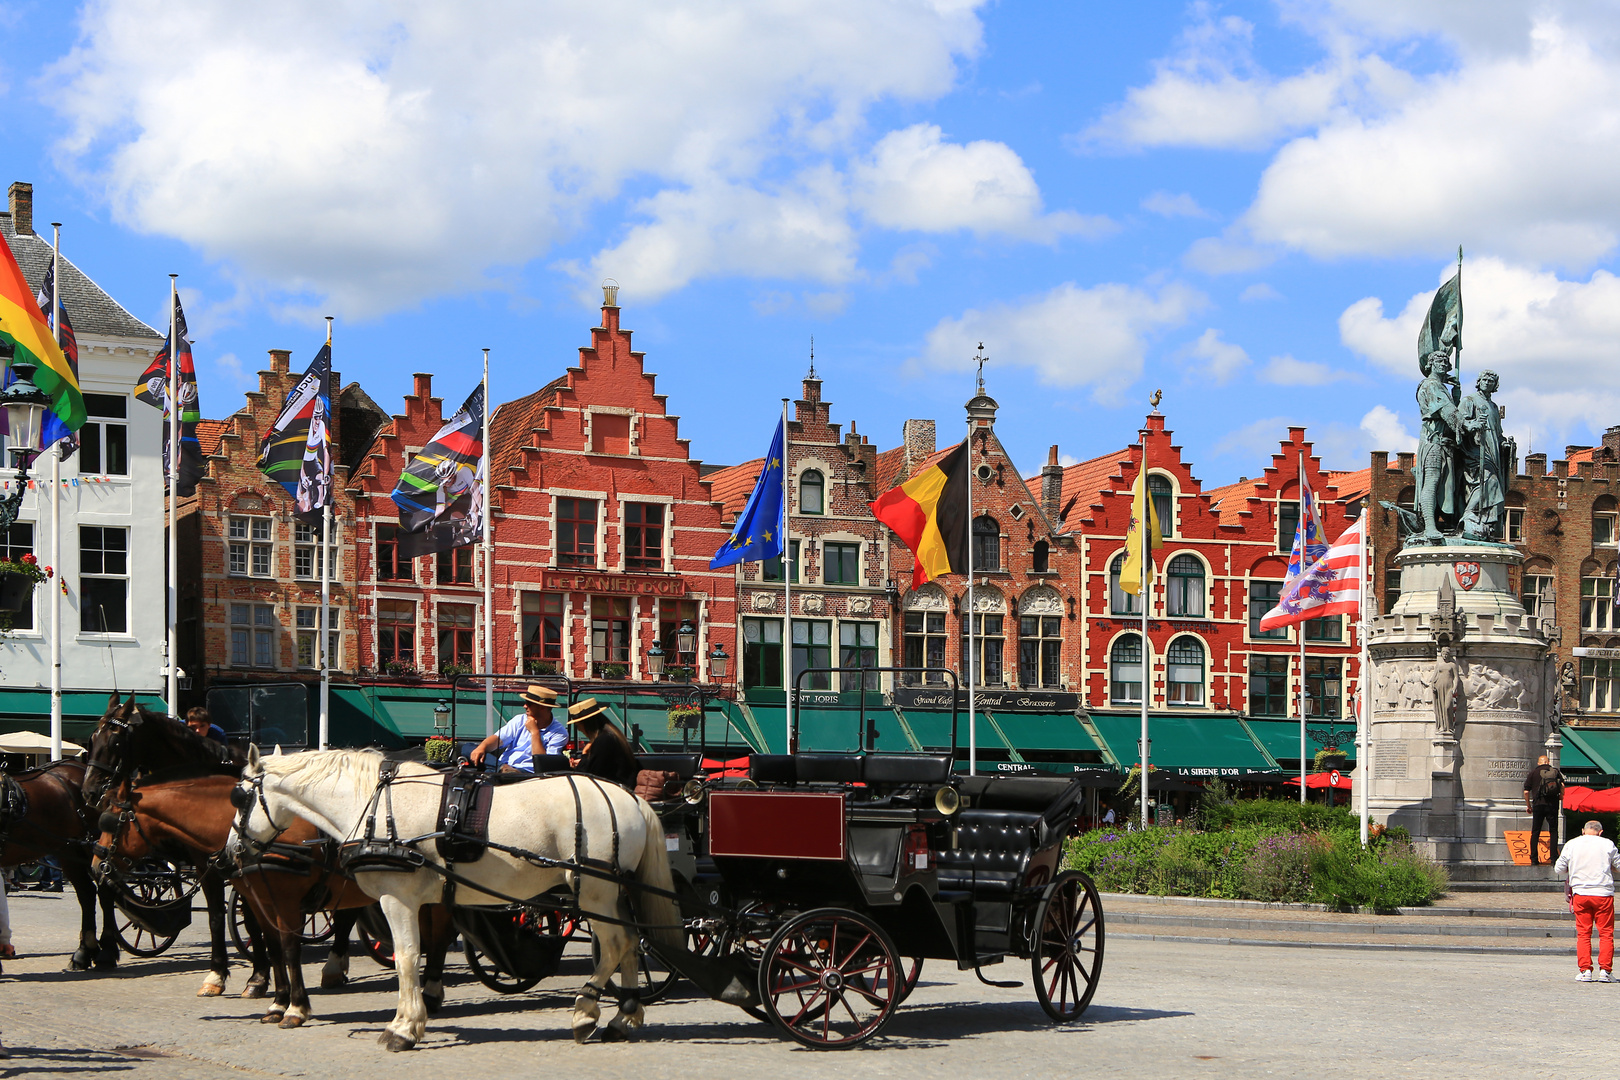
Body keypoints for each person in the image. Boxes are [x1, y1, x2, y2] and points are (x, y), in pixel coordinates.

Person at [1554, 820, 1620, 981]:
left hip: (1581, 893)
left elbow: (1559, 869)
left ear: (1583, 830)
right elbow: (1619, 866)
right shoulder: (1607, 844)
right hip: (1603, 893)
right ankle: (1605, 970)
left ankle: (1585, 970)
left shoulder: (1572, 844)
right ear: (1600, 831)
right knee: (1606, 933)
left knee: (1583, 933)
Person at [468, 685, 563, 773]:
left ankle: (498, 769)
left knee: (488, 773)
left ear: (542, 707)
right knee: (467, 747)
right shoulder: (519, 720)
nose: (524, 706)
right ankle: (500, 768)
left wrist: (534, 732)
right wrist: (481, 747)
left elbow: (544, 765)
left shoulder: (559, 733)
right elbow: (498, 739)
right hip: (503, 766)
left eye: (528, 703)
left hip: (526, 772)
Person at [566, 698, 639, 788]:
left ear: (586, 724)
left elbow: (588, 776)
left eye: (577, 725)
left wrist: (584, 755)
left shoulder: (603, 741)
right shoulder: (611, 735)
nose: (579, 730)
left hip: (615, 790)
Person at [1524, 755, 1566, 865]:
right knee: (1553, 831)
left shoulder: (1533, 773)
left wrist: (1529, 806)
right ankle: (1553, 858)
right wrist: (1561, 795)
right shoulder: (1555, 771)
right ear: (1548, 762)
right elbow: (1562, 785)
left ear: (1539, 763)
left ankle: (1534, 859)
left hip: (1538, 804)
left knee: (1536, 831)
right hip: (1552, 805)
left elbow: (1526, 792)